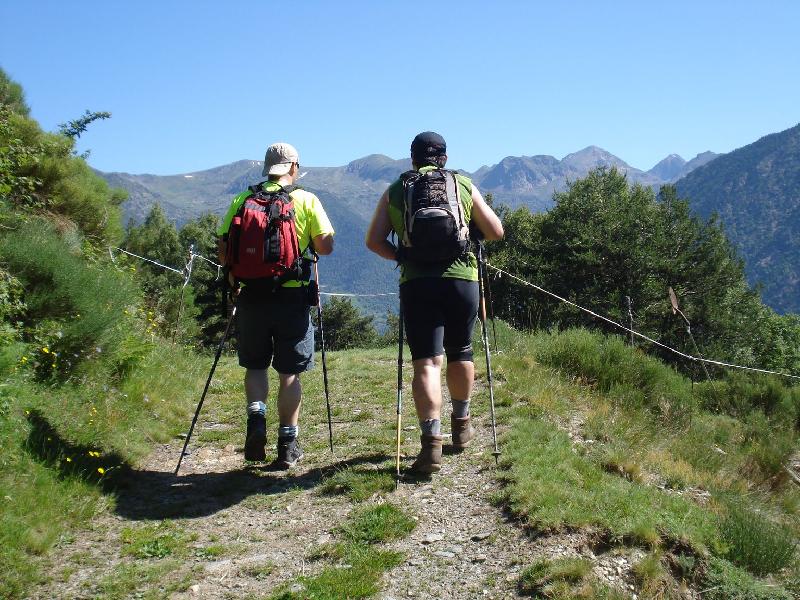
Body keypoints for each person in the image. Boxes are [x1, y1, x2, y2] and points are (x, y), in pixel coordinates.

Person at [365, 131, 504, 473]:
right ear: (443, 156)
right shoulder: (462, 185)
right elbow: (496, 231)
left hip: (418, 282)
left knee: (427, 364)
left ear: (413, 158)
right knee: (461, 352)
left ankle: (431, 445)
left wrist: (402, 255)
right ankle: (462, 423)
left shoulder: (398, 189)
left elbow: (373, 241)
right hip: (462, 281)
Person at [217, 142, 334, 468]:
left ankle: (256, 422)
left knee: (255, 367)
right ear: (293, 168)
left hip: (251, 295)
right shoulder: (306, 200)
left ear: (267, 168)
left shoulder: (243, 200)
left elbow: (224, 252)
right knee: (289, 374)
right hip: (291, 297)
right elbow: (326, 247)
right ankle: (287, 442)